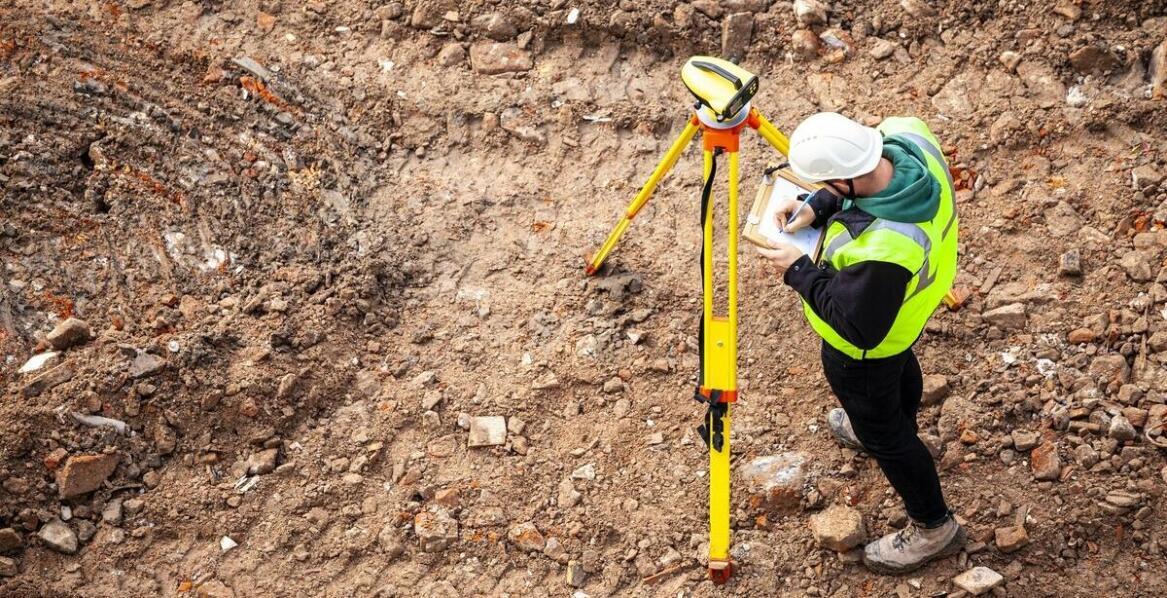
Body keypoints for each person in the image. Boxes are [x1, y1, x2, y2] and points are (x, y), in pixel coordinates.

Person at [756, 112, 962, 574]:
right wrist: (819, 204)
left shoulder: (885, 248)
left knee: (885, 432)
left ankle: (935, 528)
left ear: (844, 176)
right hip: (905, 317)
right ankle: (892, 425)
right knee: (894, 380)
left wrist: (798, 270)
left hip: (866, 346)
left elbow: (859, 327)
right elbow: (864, 173)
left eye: (828, 182)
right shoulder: (906, 134)